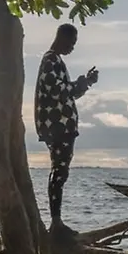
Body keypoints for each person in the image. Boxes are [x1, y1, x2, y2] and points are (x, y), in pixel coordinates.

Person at [34, 23, 99, 237]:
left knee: (61, 172)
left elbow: (67, 94)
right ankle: (56, 223)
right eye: (72, 42)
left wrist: (86, 83)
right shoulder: (50, 60)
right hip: (58, 127)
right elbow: (58, 92)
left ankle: (56, 222)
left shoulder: (56, 61)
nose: (72, 47)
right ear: (61, 38)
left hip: (62, 126)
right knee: (59, 172)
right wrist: (81, 82)